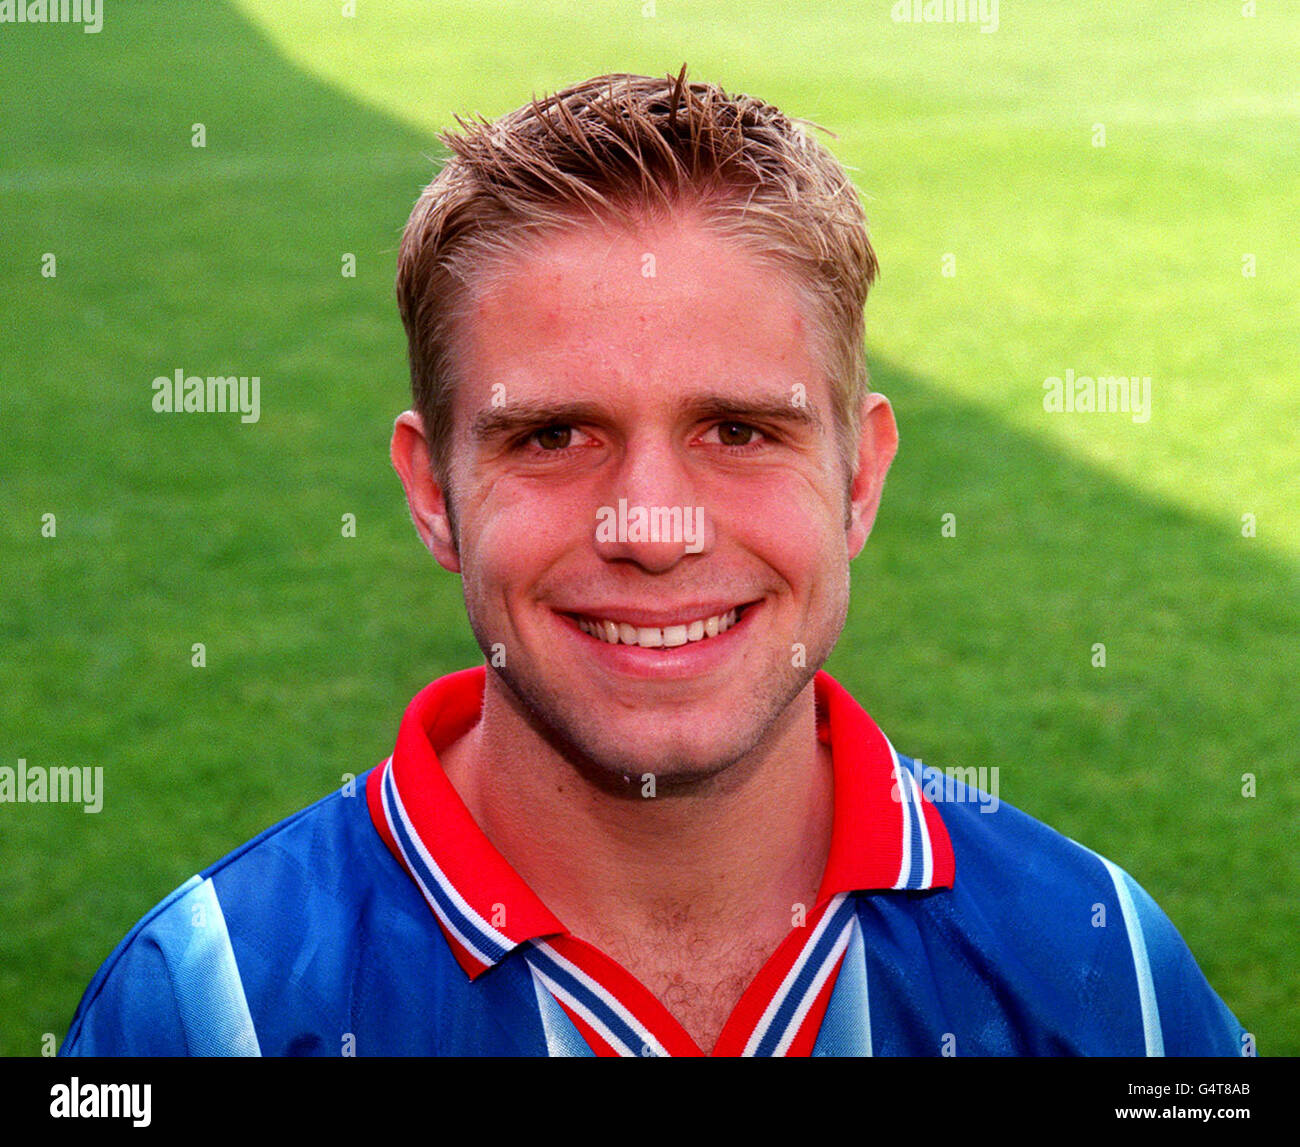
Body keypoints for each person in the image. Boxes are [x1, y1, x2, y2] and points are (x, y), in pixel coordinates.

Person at [61, 67, 1247, 1057]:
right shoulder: (210, 1005)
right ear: (432, 495)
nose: (653, 528)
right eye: (553, 435)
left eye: (738, 430)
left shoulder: (1102, 963)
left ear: (860, 477)